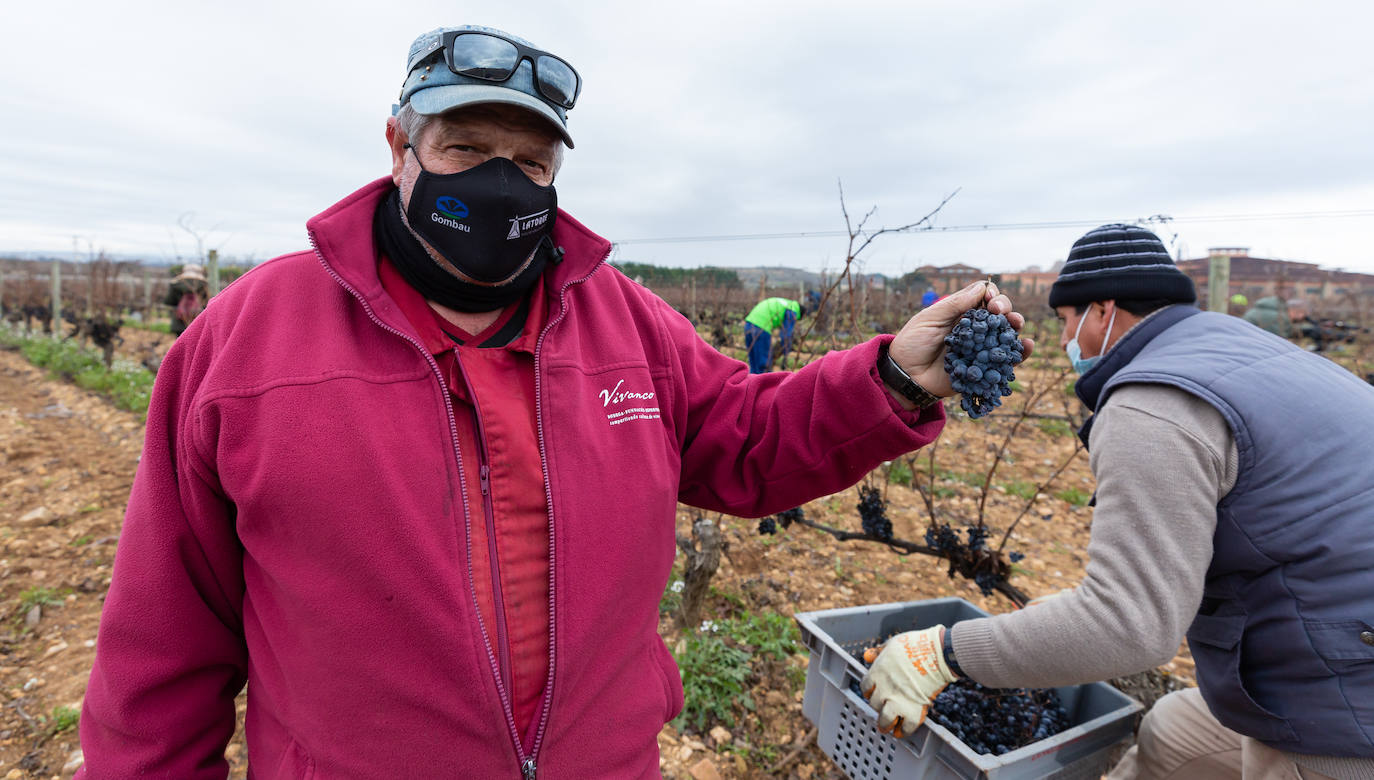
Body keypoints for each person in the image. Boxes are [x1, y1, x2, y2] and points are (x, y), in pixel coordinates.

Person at [77, 24, 1032, 778]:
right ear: (398, 145)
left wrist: (893, 378)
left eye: (531, 165)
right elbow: (162, 648)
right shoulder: (248, 341)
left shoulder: (623, 321)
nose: (502, 182)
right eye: (466, 147)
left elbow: (745, 439)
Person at [863, 224, 1374, 779]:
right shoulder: (1233, 345)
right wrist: (1066, 618)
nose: (1065, 343)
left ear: (1102, 313)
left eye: (1065, 323)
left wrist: (945, 654)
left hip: (1343, 697)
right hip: (1333, 630)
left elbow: (1130, 626)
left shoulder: (1151, 402)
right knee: (1173, 734)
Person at [742, 295, 805, 373]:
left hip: (748, 324)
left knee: (754, 362)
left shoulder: (785, 303)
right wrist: (785, 355)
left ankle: (752, 383)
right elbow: (786, 334)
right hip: (761, 327)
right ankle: (765, 384)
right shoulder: (793, 310)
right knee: (764, 364)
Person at [163, 263, 208, 337]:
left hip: (179, 323)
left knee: (181, 346)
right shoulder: (204, 285)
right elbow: (207, 303)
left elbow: (169, 301)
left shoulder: (176, 284)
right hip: (197, 322)